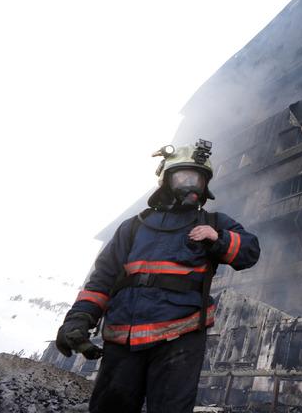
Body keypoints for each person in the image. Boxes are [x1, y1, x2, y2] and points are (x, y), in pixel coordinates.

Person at [55, 139, 260, 413]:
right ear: (166, 179)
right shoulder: (133, 227)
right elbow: (102, 279)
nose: (192, 186)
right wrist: (79, 318)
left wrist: (219, 238)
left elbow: (250, 251)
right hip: (122, 340)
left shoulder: (212, 223)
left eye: (198, 180)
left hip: (179, 338)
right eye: (185, 177)